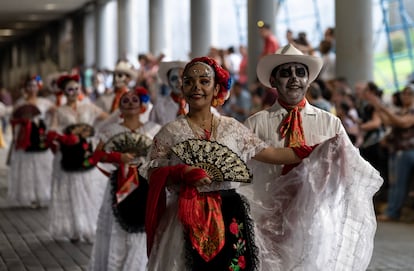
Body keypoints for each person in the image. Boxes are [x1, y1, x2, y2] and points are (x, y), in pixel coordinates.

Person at [144, 56, 311, 271]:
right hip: (184, 216)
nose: (197, 87)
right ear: (182, 88)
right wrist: (180, 172)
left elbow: (271, 153)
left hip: (230, 212)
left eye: (204, 81)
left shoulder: (232, 128)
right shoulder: (169, 132)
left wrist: (311, 151)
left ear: (216, 89)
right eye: (189, 82)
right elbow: (151, 170)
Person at [243, 44, 383, 270]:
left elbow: (347, 174)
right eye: (285, 73)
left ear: (308, 80)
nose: (294, 79)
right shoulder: (255, 124)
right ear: (273, 81)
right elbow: (242, 176)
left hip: (315, 222)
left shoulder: (330, 123)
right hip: (265, 220)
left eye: (300, 73)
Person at [88, 87, 161, 271]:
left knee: (143, 228)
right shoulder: (110, 130)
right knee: (118, 226)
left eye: (134, 100)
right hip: (119, 183)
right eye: (125, 101)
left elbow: (163, 156)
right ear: (119, 107)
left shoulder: (153, 130)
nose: (130, 104)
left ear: (142, 106)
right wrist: (117, 158)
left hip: (146, 184)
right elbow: (96, 156)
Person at [47, 74, 108, 243]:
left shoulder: (89, 107)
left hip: (86, 152)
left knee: (90, 189)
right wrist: (62, 138)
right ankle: (75, 228)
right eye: (70, 89)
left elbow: (107, 118)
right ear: (64, 92)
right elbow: (51, 130)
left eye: (76, 88)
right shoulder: (59, 110)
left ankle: (91, 227)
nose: (73, 92)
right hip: (67, 154)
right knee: (71, 190)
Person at [365, 85, 414, 222]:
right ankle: (392, 211)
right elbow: (388, 121)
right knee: (394, 183)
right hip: (396, 150)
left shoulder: (411, 111)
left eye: (409, 94)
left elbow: (403, 123)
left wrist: (382, 107)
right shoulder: (402, 110)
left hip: (407, 151)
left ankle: (393, 212)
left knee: (399, 183)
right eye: (404, 94)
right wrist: (377, 107)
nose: (405, 96)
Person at [8, 75, 55, 208]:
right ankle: (30, 196)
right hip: (25, 136)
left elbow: (55, 112)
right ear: (25, 88)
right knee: (27, 166)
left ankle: (43, 194)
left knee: (42, 166)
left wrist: (52, 125)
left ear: (38, 87)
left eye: (34, 85)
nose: (32, 88)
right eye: (29, 86)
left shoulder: (44, 102)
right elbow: (13, 117)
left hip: (39, 135)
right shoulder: (20, 103)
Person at [149, 61, 187, 126]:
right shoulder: (159, 106)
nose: (179, 81)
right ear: (168, 81)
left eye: (182, 77)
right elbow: (151, 132)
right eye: (174, 78)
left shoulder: (198, 105)